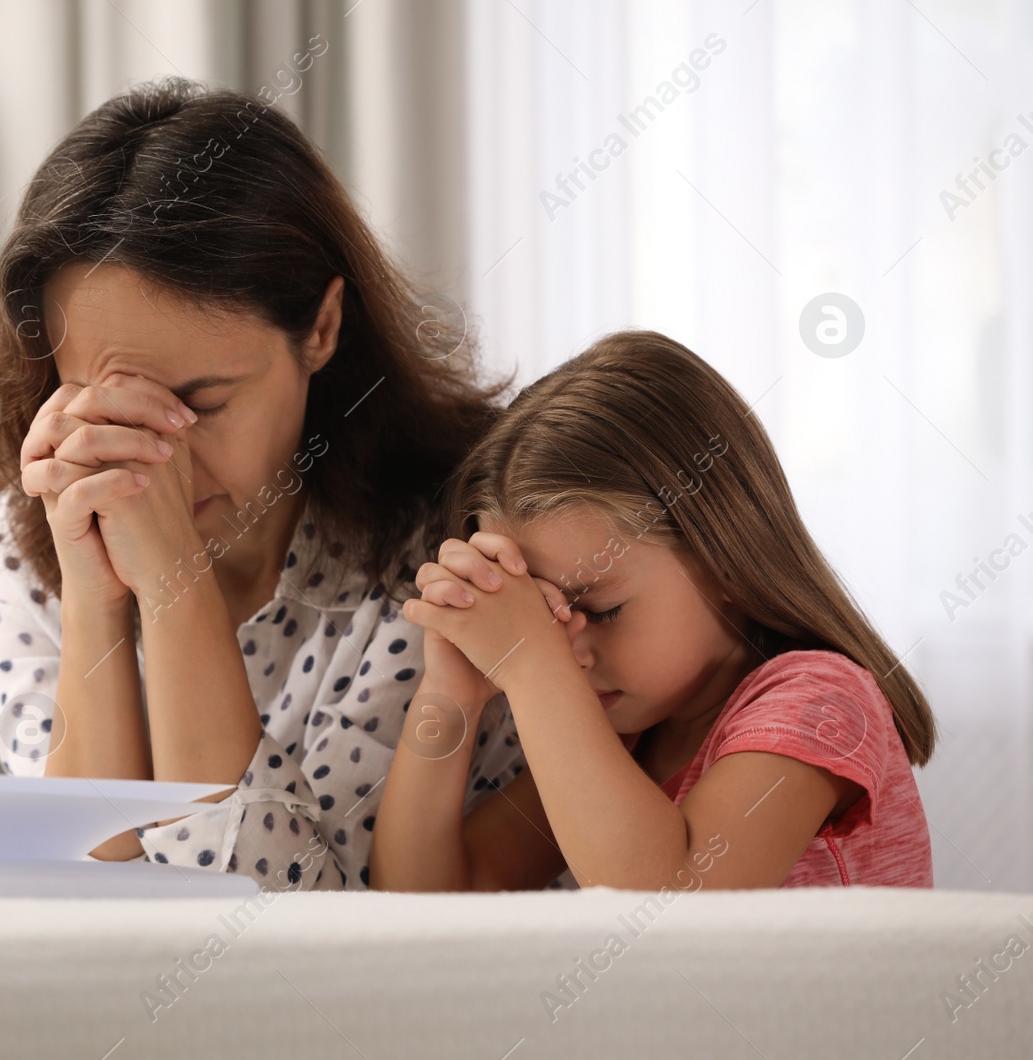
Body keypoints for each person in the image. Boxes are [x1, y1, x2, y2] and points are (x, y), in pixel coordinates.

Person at [0, 76, 530, 891]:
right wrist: (94, 594)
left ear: (321, 328)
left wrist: (171, 582)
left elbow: (281, 915)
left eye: (198, 403)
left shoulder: (449, 548)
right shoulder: (29, 537)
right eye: (99, 402)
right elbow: (76, 900)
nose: (154, 465)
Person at [371, 330, 937, 891]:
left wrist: (531, 664)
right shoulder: (632, 742)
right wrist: (452, 695)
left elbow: (674, 901)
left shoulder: (820, 699)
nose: (565, 649)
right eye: (541, 615)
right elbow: (428, 901)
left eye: (601, 608)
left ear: (725, 561)